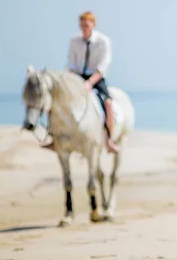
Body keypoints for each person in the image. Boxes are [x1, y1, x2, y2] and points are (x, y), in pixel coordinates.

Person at [42, 11, 120, 154]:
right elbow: (71, 64)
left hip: (96, 78)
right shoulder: (74, 41)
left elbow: (103, 66)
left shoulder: (103, 41)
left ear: (93, 25)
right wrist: (70, 80)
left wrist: (90, 82)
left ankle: (109, 139)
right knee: (55, 101)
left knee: (108, 103)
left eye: (86, 24)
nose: (84, 27)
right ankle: (53, 137)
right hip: (76, 77)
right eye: (82, 25)